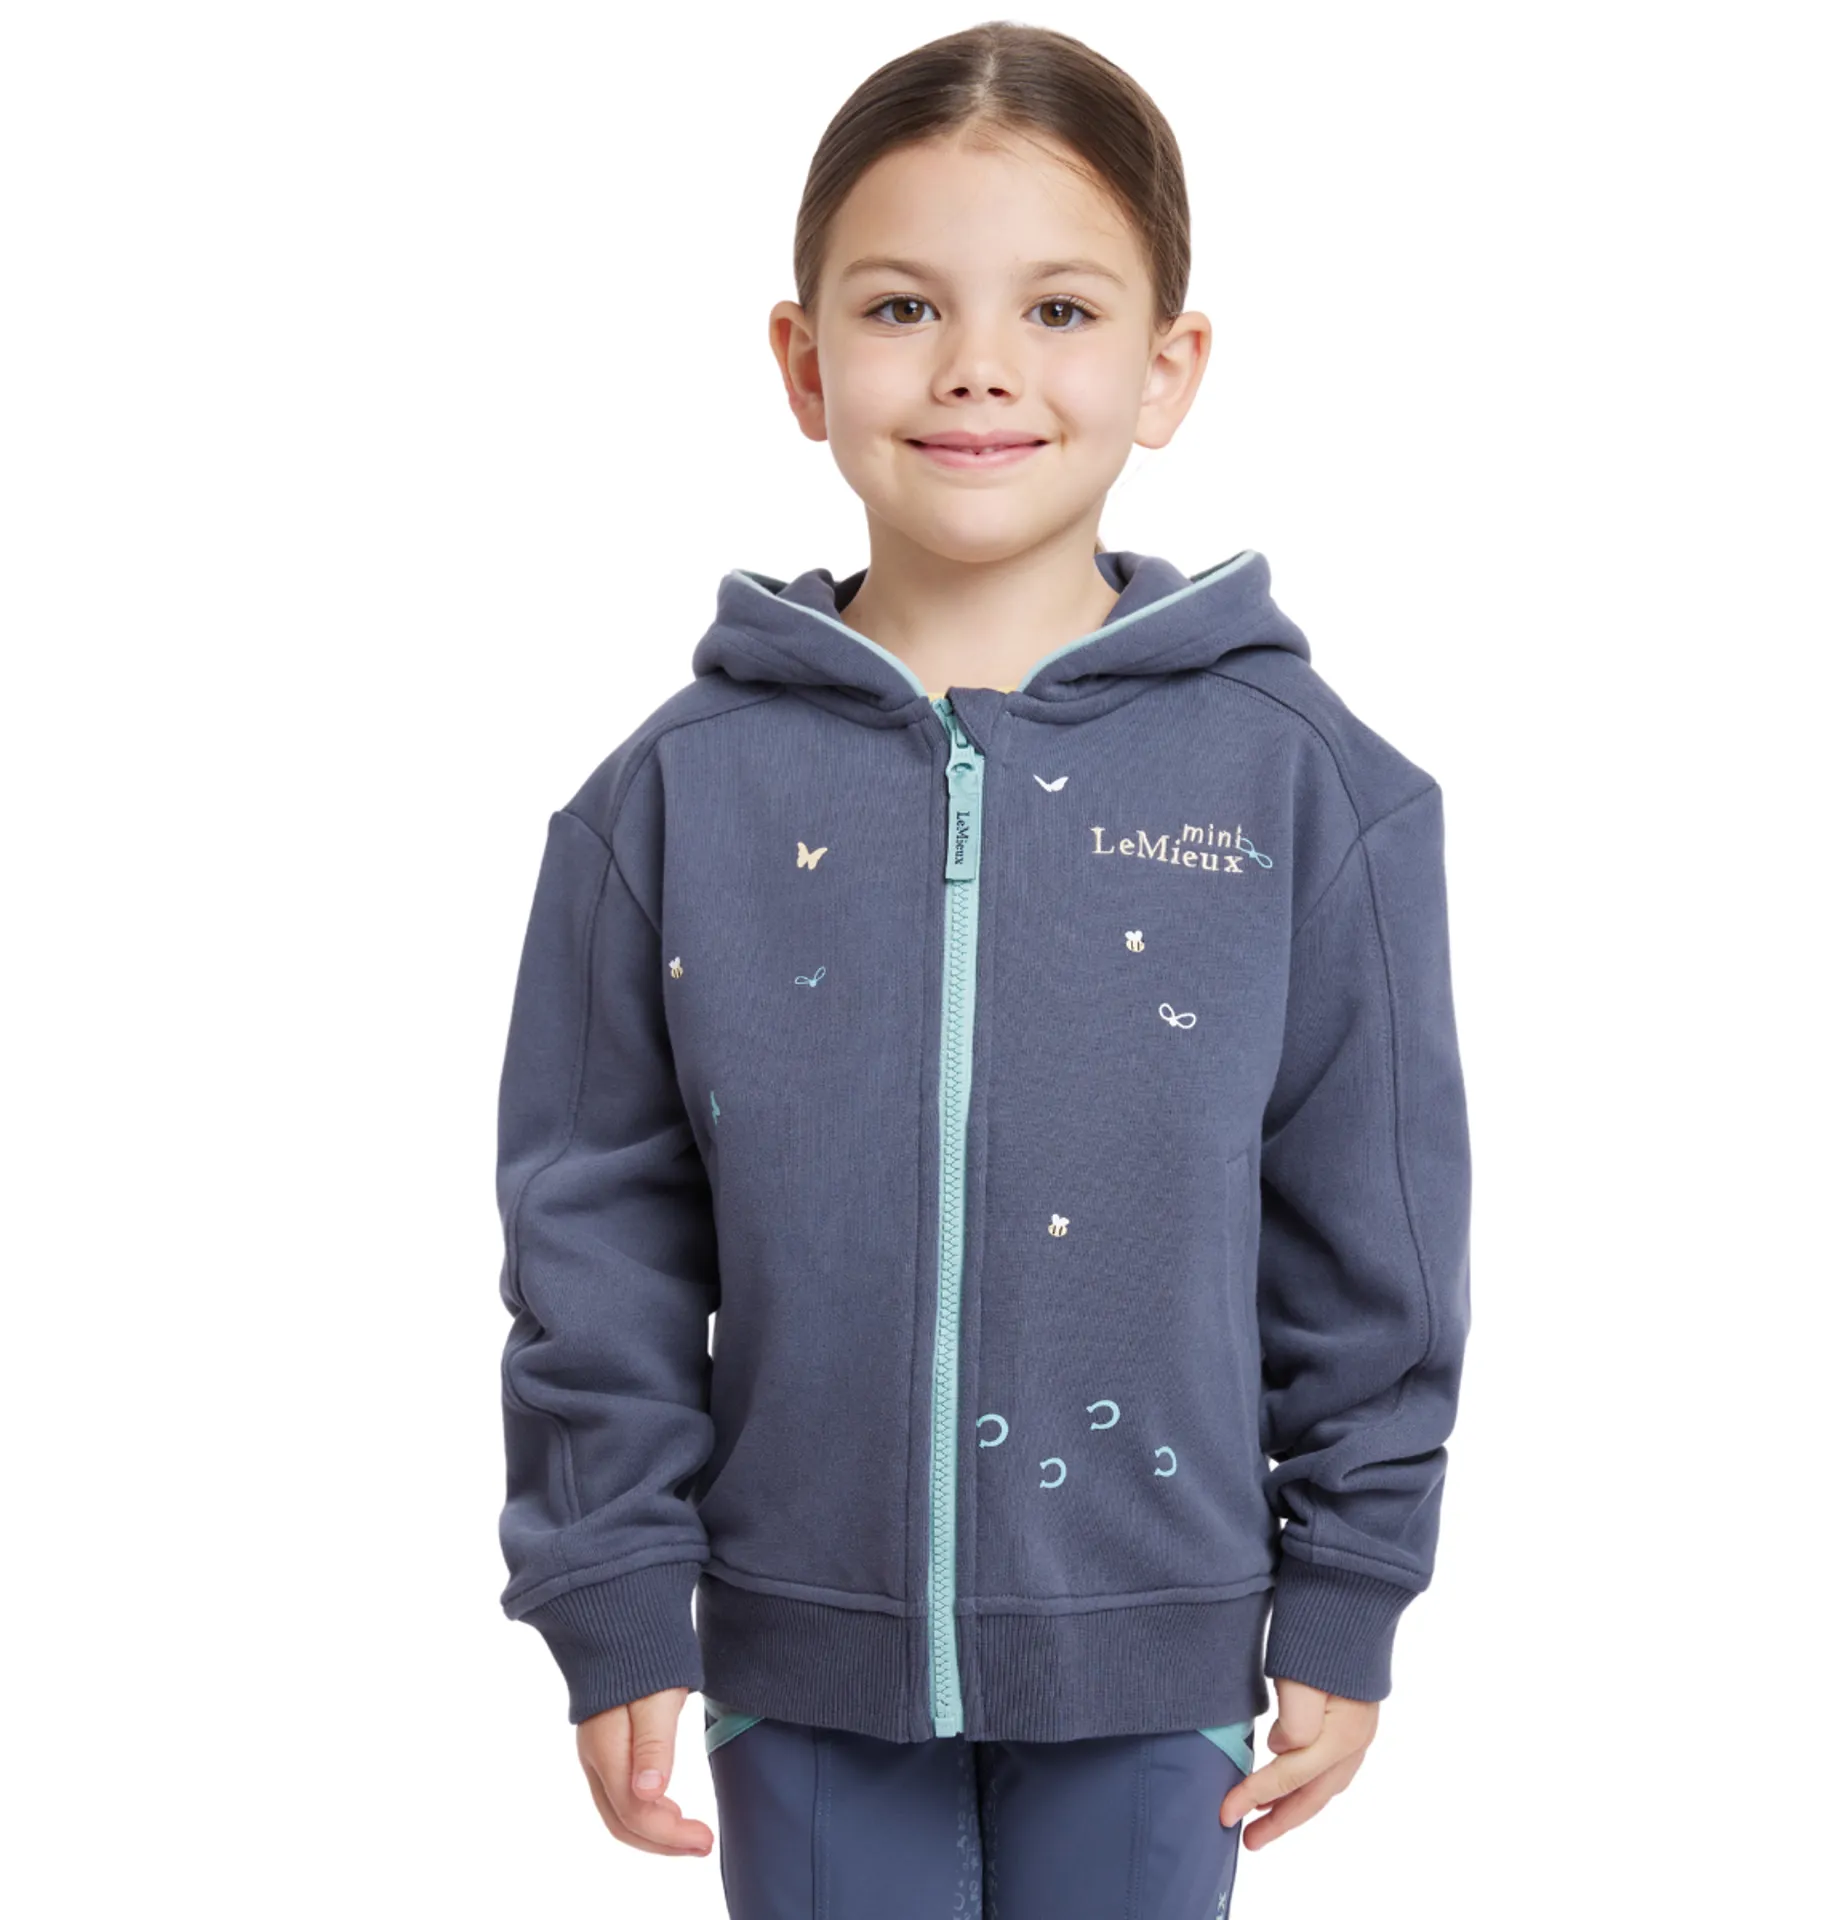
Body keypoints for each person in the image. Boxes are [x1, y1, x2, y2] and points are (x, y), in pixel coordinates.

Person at [492, 20, 1472, 1916]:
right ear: (803, 362)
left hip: (1162, 1648)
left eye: (1061, 310)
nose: (978, 367)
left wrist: (1354, 1582)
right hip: (796, 1649)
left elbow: (1379, 1231)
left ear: (1169, 368)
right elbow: (593, 1230)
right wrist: (611, 1586)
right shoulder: (671, 797)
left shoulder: (1307, 788)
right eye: (903, 306)